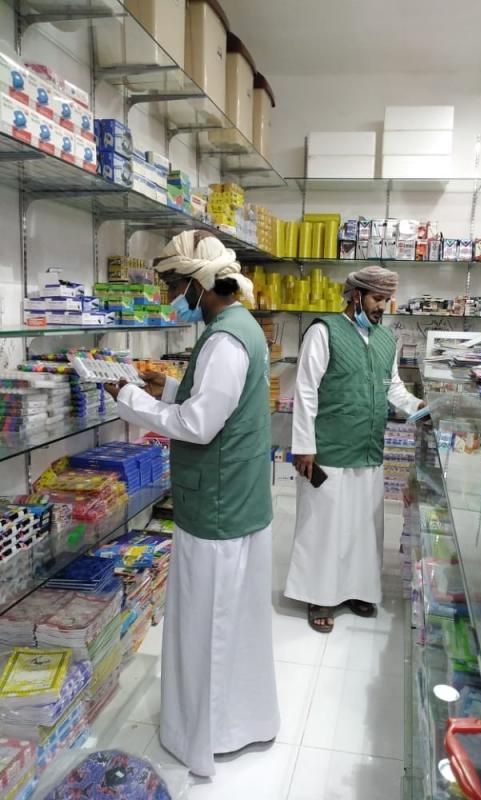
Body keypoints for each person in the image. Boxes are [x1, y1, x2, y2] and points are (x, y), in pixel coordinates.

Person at [105, 230, 280, 777]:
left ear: (198, 285)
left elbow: (200, 424)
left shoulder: (225, 340)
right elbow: (213, 401)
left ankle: (206, 736)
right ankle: (237, 722)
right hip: (237, 497)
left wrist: (129, 399)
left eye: (172, 286)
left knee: (210, 624)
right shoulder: (239, 328)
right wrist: (162, 386)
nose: (170, 296)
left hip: (219, 505)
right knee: (232, 620)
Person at [284, 265, 423, 633]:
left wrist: (419, 408)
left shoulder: (385, 339)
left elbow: (393, 388)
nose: (382, 307)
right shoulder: (323, 331)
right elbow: (306, 390)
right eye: (377, 298)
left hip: (368, 448)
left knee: (364, 526)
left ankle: (359, 590)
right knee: (325, 526)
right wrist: (304, 446)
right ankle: (320, 596)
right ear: (356, 295)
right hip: (329, 447)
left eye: (386, 300)